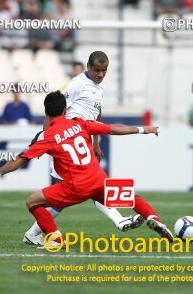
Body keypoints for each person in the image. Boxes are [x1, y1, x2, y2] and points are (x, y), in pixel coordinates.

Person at [0, 91, 174, 243]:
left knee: (32, 202)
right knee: (131, 196)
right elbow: (112, 128)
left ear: (46, 113)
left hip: (76, 187)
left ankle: (55, 238)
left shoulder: (48, 137)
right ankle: (154, 217)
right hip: (98, 179)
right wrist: (143, 129)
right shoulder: (80, 124)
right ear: (65, 110)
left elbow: (20, 160)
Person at [23, 51, 142, 246]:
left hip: (83, 141)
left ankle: (33, 232)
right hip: (66, 141)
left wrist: (95, 142)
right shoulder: (76, 84)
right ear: (88, 67)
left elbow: (97, 114)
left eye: (105, 71)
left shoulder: (100, 86)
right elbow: (53, 110)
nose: (101, 74)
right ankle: (119, 219)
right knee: (86, 187)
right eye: (97, 70)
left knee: (78, 190)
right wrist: (48, 137)